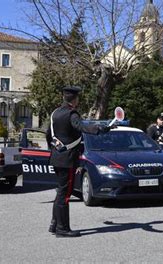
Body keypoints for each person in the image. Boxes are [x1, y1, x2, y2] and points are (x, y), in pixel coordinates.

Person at [46, 86, 113, 238]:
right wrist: (101, 129)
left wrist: (55, 150)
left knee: (60, 193)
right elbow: (81, 126)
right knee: (65, 195)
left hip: (57, 157)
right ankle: (62, 229)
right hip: (68, 159)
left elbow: (49, 135)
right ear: (75, 99)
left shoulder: (55, 113)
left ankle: (54, 224)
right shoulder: (72, 113)